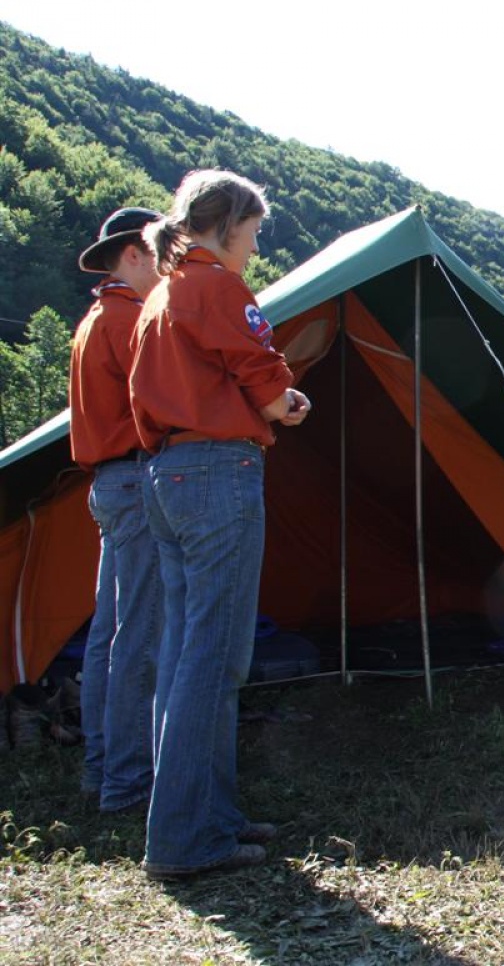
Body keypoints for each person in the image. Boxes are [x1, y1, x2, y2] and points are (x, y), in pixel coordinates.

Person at [130, 170, 311, 880]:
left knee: (184, 657)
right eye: (255, 231)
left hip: (164, 475)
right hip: (217, 474)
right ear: (226, 222)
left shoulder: (159, 296)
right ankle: (184, 840)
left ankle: (207, 816)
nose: (255, 246)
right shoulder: (216, 288)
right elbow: (259, 371)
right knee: (216, 659)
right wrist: (287, 403)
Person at [70, 207, 165, 812]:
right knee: (139, 635)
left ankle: (102, 767)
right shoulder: (131, 319)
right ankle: (127, 783)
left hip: (109, 485)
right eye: (160, 254)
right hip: (134, 478)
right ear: (133, 254)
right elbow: (164, 397)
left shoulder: (91, 321)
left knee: (110, 633)